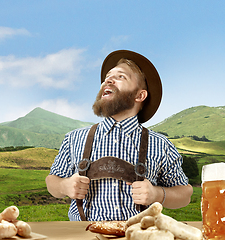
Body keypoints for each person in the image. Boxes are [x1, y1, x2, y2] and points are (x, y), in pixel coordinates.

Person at [45, 50, 193, 221]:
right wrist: (64, 186)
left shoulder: (161, 144)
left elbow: (185, 194)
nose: (108, 80)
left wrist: (156, 193)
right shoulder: (74, 138)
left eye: (121, 76)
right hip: (84, 235)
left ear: (140, 95)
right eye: (107, 77)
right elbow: (52, 181)